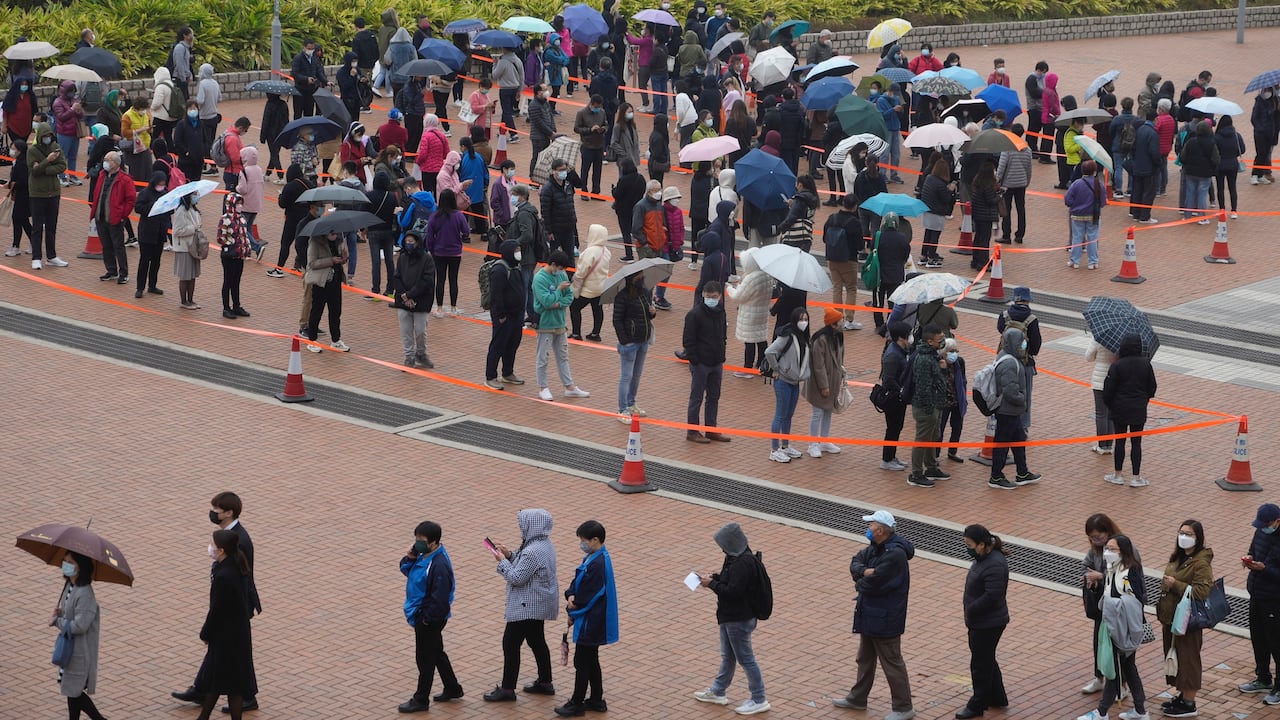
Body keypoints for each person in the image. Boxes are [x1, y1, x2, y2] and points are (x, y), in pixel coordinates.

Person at [834, 510, 916, 720]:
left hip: (886, 618)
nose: (868, 529)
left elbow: (875, 582)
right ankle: (858, 698)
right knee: (865, 658)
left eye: (870, 526)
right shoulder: (877, 548)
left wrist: (861, 579)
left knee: (892, 662)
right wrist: (864, 572)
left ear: (880, 530)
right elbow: (856, 561)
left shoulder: (894, 554)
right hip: (870, 614)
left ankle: (903, 707)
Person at [693, 522, 770, 715]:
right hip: (731, 617)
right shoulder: (736, 558)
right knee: (728, 656)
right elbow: (732, 582)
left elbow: (733, 592)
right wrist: (716, 578)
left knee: (746, 659)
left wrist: (712, 585)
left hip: (738, 619)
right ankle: (718, 691)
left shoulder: (743, 564)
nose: (721, 549)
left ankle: (759, 698)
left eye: (723, 544)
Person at [485, 509, 559, 702]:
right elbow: (524, 563)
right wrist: (510, 554)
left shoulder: (533, 551)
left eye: (522, 524)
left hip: (527, 606)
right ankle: (545, 682)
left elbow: (516, 577)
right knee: (536, 641)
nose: (520, 528)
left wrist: (502, 561)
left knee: (510, 643)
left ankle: (508, 689)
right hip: (538, 604)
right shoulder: (543, 544)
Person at [1076, 533, 1147, 720]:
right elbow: (1108, 592)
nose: (1107, 552)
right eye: (1107, 548)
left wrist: (1110, 604)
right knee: (1129, 669)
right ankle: (1140, 710)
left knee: (1113, 670)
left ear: (1123, 552)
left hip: (1121, 629)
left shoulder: (1129, 571)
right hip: (1113, 626)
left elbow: (1136, 600)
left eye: (1112, 549)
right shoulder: (1112, 569)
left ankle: (1101, 712)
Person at [397, 520, 462, 713]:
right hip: (423, 615)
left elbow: (440, 600)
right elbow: (407, 571)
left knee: (425, 659)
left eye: (421, 540)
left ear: (434, 542)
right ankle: (453, 687)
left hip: (428, 618)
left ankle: (421, 699)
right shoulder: (424, 555)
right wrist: (409, 557)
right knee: (436, 652)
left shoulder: (439, 565)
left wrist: (425, 619)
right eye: (416, 539)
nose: (417, 543)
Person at [192, 529, 256, 720]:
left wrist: (205, 633)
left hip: (227, 638)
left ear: (221, 551)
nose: (210, 548)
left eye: (213, 545)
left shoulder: (225, 575)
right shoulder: (235, 564)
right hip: (237, 635)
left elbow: (217, 611)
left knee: (221, 682)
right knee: (229, 683)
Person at [557, 520, 619, 717]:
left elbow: (588, 596)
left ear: (595, 540)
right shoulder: (595, 557)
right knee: (591, 659)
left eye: (583, 541)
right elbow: (578, 583)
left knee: (582, 662)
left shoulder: (598, 564)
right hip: (594, 620)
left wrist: (572, 609)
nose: (581, 544)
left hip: (591, 622)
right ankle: (596, 699)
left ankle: (577, 702)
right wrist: (570, 593)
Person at [1157, 520, 1214, 719]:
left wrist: (1176, 585)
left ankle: (1189, 703)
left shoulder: (1201, 563)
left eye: (1189, 534)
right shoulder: (1179, 556)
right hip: (1171, 618)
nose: (1183, 537)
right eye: (1181, 532)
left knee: (1189, 660)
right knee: (1176, 657)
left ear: (1198, 538)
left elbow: (1202, 591)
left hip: (1188, 621)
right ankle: (1182, 697)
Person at [958, 524, 1010, 719]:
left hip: (987, 622)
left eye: (969, 544)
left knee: (980, 663)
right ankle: (997, 696)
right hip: (983, 620)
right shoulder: (984, 558)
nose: (967, 548)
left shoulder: (994, 564)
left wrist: (971, 609)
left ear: (982, 544)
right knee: (986, 658)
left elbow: (993, 595)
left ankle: (977, 704)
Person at [52, 551, 107, 720]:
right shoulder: (70, 586)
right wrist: (61, 613)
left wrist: (57, 622)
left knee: (74, 693)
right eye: (64, 561)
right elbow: (71, 614)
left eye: (70, 562)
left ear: (80, 567)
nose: (65, 565)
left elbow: (79, 625)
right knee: (72, 693)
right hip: (70, 651)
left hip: (79, 654)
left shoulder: (85, 594)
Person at [532, 250, 591, 401]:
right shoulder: (539, 279)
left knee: (563, 355)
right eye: (559, 268)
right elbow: (546, 301)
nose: (561, 272)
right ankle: (543, 387)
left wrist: (557, 303)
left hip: (560, 323)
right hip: (545, 324)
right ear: (552, 264)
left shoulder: (562, 275)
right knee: (543, 357)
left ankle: (569, 386)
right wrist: (558, 292)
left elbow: (569, 296)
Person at [988, 327, 1042, 489]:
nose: (1024, 344)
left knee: (1018, 440)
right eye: (1021, 341)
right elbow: (1010, 390)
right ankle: (996, 476)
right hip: (1007, 410)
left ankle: (1022, 472)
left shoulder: (1009, 357)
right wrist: (1022, 400)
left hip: (1012, 410)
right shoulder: (1010, 363)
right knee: (1002, 444)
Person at [1103, 333, 1157, 488]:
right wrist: (1143, 400)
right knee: (1136, 443)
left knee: (1119, 442)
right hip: (1138, 409)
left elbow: (1108, 390)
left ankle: (1118, 475)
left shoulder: (1117, 365)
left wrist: (1111, 404)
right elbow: (1152, 387)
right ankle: (1136, 476)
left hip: (1119, 408)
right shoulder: (1146, 364)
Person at [1081, 514, 1126, 695]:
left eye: (1098, 537)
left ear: (1108, 532)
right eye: (1092, 538)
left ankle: (1122, 685)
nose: (1095, 541)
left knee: (1119, 647)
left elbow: (1129, 576)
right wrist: (1088, 577)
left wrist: (1102, 576)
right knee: (1099, 643)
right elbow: (1086, 565)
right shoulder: (1095, 550)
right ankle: (1099, 677)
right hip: (1102, 605)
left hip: (1121, 607)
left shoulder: (1125, 548)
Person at [1240, 504, 1280, 702]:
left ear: (1276, 522)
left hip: (1274, 600)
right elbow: (1253, 549)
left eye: (1266, 525)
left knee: (1276, 643)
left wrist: (1264, 569)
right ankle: (1263, 678)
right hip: (1256, 593)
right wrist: (1249, 560)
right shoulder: (1261, 532)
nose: (1262, 528)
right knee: (1258, 639)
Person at [684, 281, 731, 443]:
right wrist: (695, 360)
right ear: (703, 295)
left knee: (714, 397)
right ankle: (692, 431)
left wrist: (722, 355)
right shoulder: (694, 314)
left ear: (720, 297)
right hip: (701, 364)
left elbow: (723, 335)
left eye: (714, 297)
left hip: (716, 362)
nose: (711, 299)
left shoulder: (721, 312)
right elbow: (688, 341)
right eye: (708, 297)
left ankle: (711, 428)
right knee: (696, 398)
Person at [764, 307, 811, 463]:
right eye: (801, 319)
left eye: (806, 319)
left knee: (789, 415)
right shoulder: (787, 336)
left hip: (795, 381)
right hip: (783, 381)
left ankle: (785, 446)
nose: (804, 322)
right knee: (780, 415)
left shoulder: (803, 337)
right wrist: (776, 369)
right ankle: (774, 449)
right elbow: (769, 352)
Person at [905, 324, 949, 488]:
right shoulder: (924, 359)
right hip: (926, 407)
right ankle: (916, 473)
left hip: (934, 404)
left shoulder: (932, 356)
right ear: (930, 341)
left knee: (932, 437)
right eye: (940, 340)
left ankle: (931, 467)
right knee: (922, 439)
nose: (943, 342)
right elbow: (923, 387)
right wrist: (930, 408)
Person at [484, 238, 527, 389]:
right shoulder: (499, 270)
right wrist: (501, 315)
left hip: (517, 313)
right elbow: (497, 295)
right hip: (504, 315)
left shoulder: (516, 267)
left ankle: (508, 372)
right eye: (516, 251)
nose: (518, 253)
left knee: (512, 343)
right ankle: (490, 376)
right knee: (498, 344)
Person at [613, 270, 655, 419]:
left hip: (643, 340)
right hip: (630, 343)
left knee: (636, 375)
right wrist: (625, 340)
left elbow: (647, 315)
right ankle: (622, 409)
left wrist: (652, 312)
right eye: (639, 276)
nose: (641, 279)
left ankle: (631, 403)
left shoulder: (644, 293)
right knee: (626, 376)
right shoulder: (622, 296)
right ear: (631, 278)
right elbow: (617, 320)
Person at [805, 307, 847, 457]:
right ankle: (812, 444)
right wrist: (824, 386)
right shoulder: (820, 340)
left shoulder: (838, 337)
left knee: (828, 411)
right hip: (819, 383)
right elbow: (818, 365)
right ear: (833, 324)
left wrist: (841, 375)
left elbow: (840, 359)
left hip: (834, 381)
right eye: (840, 320)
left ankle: (824, 440)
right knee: (817, 413)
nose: (843, 322)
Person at [90, 151, 136, 285]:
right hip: (101, 216)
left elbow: (130, 199)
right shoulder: (102, 175)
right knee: (106, 245)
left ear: (115, 163)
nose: (105, 162)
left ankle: (123, 273)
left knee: (118, 246)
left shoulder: (125, 179)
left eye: (107, 160)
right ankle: (111, 270)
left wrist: (122, 215)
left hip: (115, 218)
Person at [725, 247, 770, 378]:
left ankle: (747, 368)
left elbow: (739, 296)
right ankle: (762, 364)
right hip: (761, 311)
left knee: (749, 341)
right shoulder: (766, 275)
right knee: (761, 338)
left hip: (750, 312)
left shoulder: (752, 278)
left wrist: (730, 289)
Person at [304, 230, 351, 352]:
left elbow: (341, 259)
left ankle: (336, 340)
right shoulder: (315, 242)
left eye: (336, 233)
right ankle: (312, 340)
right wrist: (331, 260)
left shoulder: (339, 241)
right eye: (332, 233)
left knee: (336, 312)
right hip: (321, 282)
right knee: (316, 311)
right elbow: (312, 263)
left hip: (335, 281)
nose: (334, 235)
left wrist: (344, 258)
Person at [425, 188, 469, 317]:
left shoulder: (434, 216)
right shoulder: (459, 216)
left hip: (439, 252)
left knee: (440, 279)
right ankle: (453, 308)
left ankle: (439, 308)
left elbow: (429, 236)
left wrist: (432, 249)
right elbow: (466, 231)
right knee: (453, 279)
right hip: (455, 252)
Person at [1062, 159, 1106, 270]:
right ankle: (1093, 262)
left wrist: (1073, 205)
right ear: (1094, 171)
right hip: (1093, 215)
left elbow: (1067, 199)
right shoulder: (1098, 184)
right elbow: (1103, 202)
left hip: (1077, 215)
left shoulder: (1076, 184)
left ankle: (1074, 261)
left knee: (1077, 238)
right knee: (1093, 238)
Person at [570, 224, 610, 342]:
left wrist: (575, 279)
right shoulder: (606, 251)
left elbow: (582, 272)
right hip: (601, 286)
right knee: (597, 309)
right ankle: (595, 333)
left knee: (574, 308)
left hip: (588, 288)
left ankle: (576, 333)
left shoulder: (589, 252)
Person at [871, 213, 911, 330]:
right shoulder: (902, 238)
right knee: (893, 302)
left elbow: (872, 250)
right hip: (896, 275)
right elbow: (906, 255)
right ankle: (890, 323)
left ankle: (879, 324)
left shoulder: (878, 236)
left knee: (878, 301)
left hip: (879, 274)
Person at [216, 192, 253, 320]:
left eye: (240, 203)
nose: (239, 205)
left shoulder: (242, 218)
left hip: (239, 255)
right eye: (237, 203)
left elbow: (245, 235)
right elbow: (220, 238)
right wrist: (233, 244)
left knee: (236, 281)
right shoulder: (225, 218)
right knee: (228, 281)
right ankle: (226, 308)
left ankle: (236, 306)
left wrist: (246, 248)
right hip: (229, 255)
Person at [996, 123, 1032, 244]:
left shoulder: (1008, 148)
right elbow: (1029, 168)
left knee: (1006, 209)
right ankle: (1020, 235)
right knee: (1021, 209)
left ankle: (1006, 235)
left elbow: (1001, 167)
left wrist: (997, 180)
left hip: (1008, 184)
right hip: (1021, 183)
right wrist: (1027, 181)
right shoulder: (1027, 149)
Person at [542, 159, 580, 259]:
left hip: (568, 229)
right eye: (561, 170)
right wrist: (549, 231)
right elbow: (545, 212)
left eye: (565, 169)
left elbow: (579, 184)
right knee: (552, 258)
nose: (564, 172)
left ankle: (569, 275)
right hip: (555, 230)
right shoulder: (548, 189)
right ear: (554, 171)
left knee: (570, 259)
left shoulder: (567, 186)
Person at [919, 158, 954, 266]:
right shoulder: (941, 184)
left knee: (927, 234)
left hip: (927, 210)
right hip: (937, 213)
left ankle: (924, 255)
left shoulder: (929, 178)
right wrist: (951, 191)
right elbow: (946, 199)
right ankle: (932, 256)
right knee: (935, 236)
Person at [171, 193, 203, 309]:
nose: (197, 197)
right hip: (184, 248)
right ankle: (184, 301)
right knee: (185, 276)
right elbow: (177, 231)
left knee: (193, 275)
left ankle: (191, 299)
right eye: (194, 195)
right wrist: (193, 228)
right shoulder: (181, 211)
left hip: (194, 246)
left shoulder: (194, 210)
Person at [50, 81, 85, 187]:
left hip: (75, 132)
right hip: (64, 133)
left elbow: (81, 115)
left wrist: (79, 110)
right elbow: (61, 117)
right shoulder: (57, 102)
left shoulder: (74, 100)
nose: (72, 93)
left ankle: (72, 176)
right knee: (63, 156)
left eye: (74, 91)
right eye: (70, 91)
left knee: (73, 156)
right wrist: (72, 109)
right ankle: (61, 176)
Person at [576, 95, 609, 196]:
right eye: (596, 106)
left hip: (599, 146)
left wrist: (603, 129)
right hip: (587, 145)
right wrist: (590, 130)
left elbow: (606, 124)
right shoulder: (581, 113)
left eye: (599, 106)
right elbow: (577, 128)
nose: (597, 108)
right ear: (591, 103)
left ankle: (596, 191)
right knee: (585, 170)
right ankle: (583, 190)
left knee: (597, 171)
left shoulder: (602, 112)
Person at [969, 162, 1000, 269]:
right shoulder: (988, 186)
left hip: (978, 215)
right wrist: (999, 196)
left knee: (978, 237)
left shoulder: (977, 183)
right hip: (986, 215)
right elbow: (991, 200)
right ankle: (983, 262)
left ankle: (976, 259)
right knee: (984, 239)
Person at [1214, 115, 1246, 218]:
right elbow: (1242, 149)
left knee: (1220, 188)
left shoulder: (1217, 137)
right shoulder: (1236, 135)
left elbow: (1214, 151)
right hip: (1233, 164)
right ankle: (1234, 210)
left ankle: (1222, 209)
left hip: (1220, 165)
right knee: (1232, 187)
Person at [291, 39, 329, 119]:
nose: (310, 51)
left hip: (311, 91)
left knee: (309, 114)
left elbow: (318, 72)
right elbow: (295, 73)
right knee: (298, 114)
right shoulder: (298, 58)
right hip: (299, 90)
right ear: (304, 47)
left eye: (312, 49)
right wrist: (306, 79)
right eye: (309, 49)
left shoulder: (314, 59)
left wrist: (326, 81)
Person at [527, 83, 557, 176]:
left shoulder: (546, 103)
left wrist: (553, 130)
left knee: (545, 159)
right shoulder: (534, 105)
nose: (547, 91)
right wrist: (550, 133)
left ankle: (541, 177)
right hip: (538, 137)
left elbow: (550, 117)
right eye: (544, 90)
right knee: (537, 158)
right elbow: (539, 123)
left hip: (547, 136)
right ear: (538, 92)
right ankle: (533, 179)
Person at [416, 114, 449, 196]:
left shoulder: (426, 136)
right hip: (439, 168)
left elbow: (423, 154)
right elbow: (447, 153)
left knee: (428, 191)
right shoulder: (442, 135)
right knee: (437, 191)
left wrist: (418, 162)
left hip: (427, 169)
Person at [1250, 88, 1277, 185]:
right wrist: (1260, 128)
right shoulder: (1259, 103)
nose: (1267, 93)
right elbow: (1254, 118)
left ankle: (1260, 175)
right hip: (1260, 133)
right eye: (1266, 91)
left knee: (1266, 154)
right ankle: (1254, 174)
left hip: (1269, 132)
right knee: (1260, 154)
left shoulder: (1273, 102)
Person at [609, 104, 641, 178]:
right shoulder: (618, 126)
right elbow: (613, 143)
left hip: (633, 158)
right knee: (623, 179)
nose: (631, 113)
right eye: (629, 112)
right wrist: (624, 154)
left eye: (632, 111)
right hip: (624, 160)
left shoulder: (633, 125)